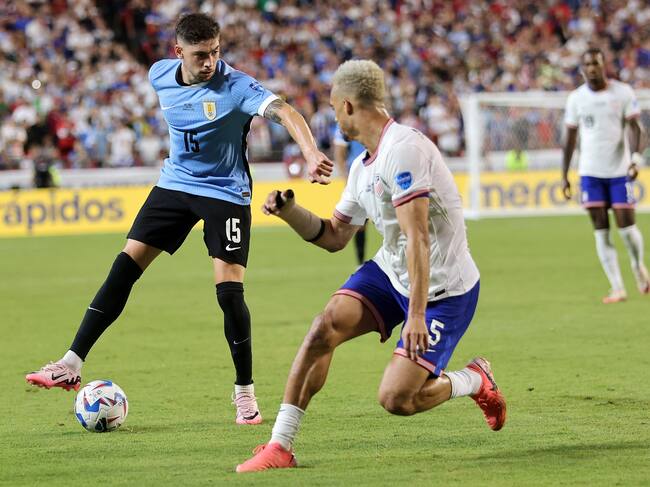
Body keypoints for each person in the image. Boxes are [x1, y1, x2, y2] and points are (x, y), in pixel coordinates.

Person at [25, 13, 333, 425]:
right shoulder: (159, 76)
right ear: (178, 53)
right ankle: (70, 362)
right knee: (123, 268)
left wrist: (310, 152)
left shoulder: (236, 85)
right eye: (201, 55)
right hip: (175, 184)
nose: (210, 62)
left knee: (228, 292)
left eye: (216, 52)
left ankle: (244, 392)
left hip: (225, 192)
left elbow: (286, 111)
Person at [236, 60, 506, 473]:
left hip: (443, 291)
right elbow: (334, 236)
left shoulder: (405, 151)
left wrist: (415, 315)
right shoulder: (363, 167)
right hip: (392, 272)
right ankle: (280, 446)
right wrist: (290, 212)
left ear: (347, 105)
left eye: (331, 107)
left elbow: (419, 237)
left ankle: (474, 379)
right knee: (322, 329)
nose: (332, 118)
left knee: (397, 399)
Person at [562, 47, 648, 304]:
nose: (591, 69)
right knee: (601, 231)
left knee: (627, 229)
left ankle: (637, 265)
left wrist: (635, 159)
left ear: (603, 65)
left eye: (596, 64)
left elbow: (637, 129)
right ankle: (617, 287)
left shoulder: (622, 93)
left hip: (619, 172)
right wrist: (564, 174)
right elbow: (570, 138)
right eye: (587, 64)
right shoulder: (576, 99)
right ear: (582, 68)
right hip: (590, 173)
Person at [333, 124, 367, 265]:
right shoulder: (343, 124)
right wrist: (346, 180)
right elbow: (339, 153)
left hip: (378, 174)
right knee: (360, 225)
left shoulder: (374, 118)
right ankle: (360, 263)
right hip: (358, 178)